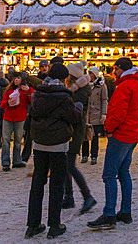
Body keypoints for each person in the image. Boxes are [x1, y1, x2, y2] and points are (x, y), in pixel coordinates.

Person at [87, 57, 138, 231]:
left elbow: (117, 113)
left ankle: (109, 213)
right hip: (132, 134)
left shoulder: (124, 87)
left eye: (116, 70)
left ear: (122, 70)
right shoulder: (136, 85)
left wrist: (108, 128)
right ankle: (125, 211)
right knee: (124, 173)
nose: (114, 73)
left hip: (121, 135)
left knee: (109, 175)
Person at [24, 63, 80, 239]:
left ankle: (32, 225)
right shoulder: (64, 96)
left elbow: (32, 112)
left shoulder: (38, 93)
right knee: (56, 184)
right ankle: (54, 225)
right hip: (58, 144)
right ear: (64, 78)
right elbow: (73, 117)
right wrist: (78, 107)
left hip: (39, 142)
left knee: (37, 183)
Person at [62, 64, 94, 213]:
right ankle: (69, 196)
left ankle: (87, 196)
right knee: (66, 165)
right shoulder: (75, 90)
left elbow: (75, 113)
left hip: (75, 131)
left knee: (70, 165)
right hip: (71, 130)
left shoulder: (80, 92)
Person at [0, 72, 32, 170]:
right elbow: (2, 104)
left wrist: (29, 91)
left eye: (18, 78)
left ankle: (17, 160)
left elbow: (32, 100)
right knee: (5, 140)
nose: (16, 80)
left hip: (20, 117)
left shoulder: (26, 90)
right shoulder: (9, 90)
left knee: (18, 140)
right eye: (15, 78)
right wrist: (8, 103)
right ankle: (5, 163)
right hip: (8, 117)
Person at [82, 66, 108, 164]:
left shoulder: (101, 86)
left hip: (96, 113)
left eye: (91, 73)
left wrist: (104, 114)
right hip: (86, 113)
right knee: (85, 136)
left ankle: (94, 156)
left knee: (94, 137)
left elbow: (104, 100)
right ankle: (85, 155)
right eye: (89, 73)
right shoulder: (85, 85)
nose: (90, 75)